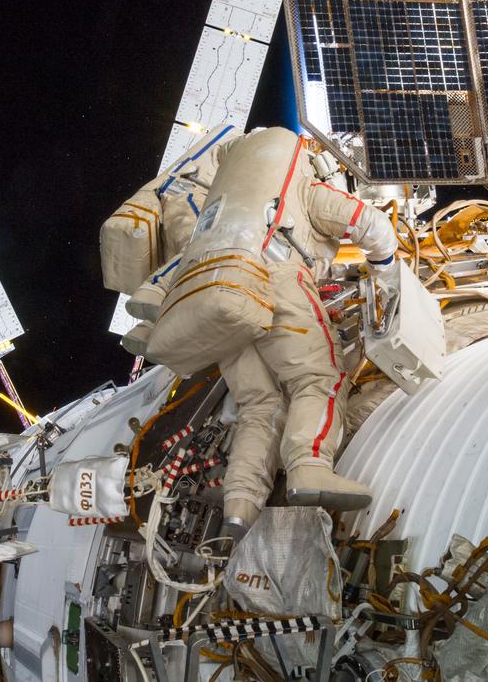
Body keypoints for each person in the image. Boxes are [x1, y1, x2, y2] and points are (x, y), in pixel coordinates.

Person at [137, 128, 401, 539]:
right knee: (318, 376)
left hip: (219, 299)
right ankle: (310, 466)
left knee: (258, 405)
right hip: (276, 281)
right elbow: (367, 222)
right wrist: (386, 271)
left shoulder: (219, 207)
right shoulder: (298, 181)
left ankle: (239, 506)